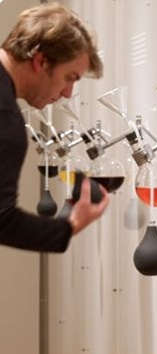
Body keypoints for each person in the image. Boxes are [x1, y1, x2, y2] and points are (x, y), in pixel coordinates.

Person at [0, 2, 109, 252]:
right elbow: (2, 220)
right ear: (41, 61)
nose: (68, 93)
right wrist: (70, 225)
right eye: (69, 77)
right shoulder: (5, 118)